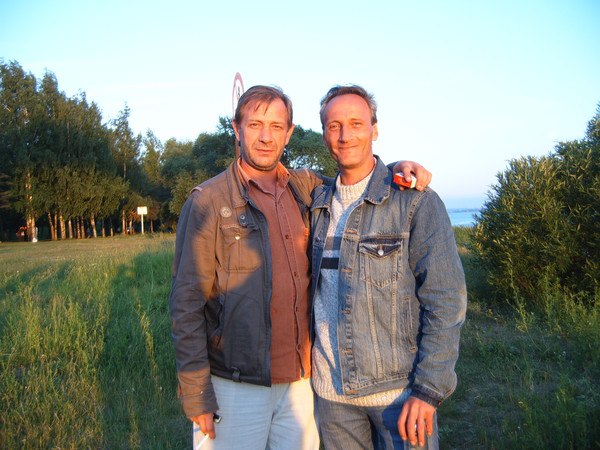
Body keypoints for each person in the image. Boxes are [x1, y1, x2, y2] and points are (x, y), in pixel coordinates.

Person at [168, 85, 432, 450]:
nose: (265, 137)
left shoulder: (306, 188)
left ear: (289, 132)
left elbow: (358, 180)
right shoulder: (208, 201)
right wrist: (196, 391)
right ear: (236, 128)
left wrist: (396, 169)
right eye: (255, 124)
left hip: (301, 385)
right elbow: (186, 302)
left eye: (276, 126)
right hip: (234, 385)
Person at [310, 85, 467, 450]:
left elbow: (446, 300)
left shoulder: (414, 202)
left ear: (375, 129)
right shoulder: (314, 201)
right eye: (334, 126)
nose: (345, 135)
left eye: (356, 123)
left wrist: (428, 390)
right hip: (331, 398)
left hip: (399, 395)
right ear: (324, 135)